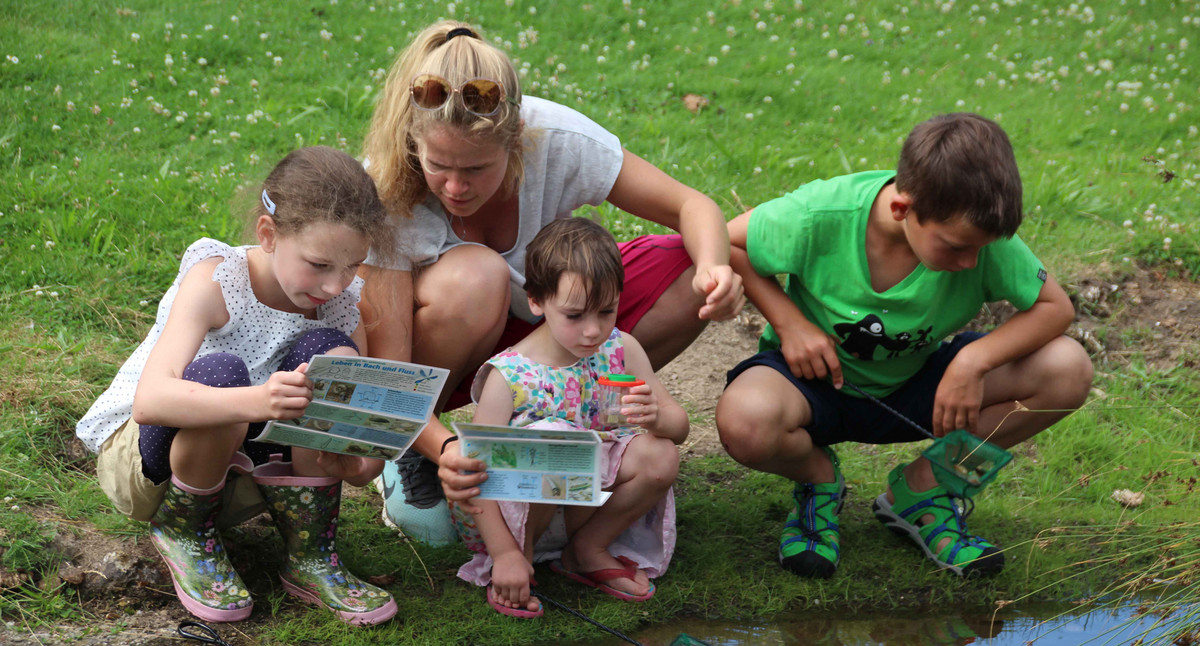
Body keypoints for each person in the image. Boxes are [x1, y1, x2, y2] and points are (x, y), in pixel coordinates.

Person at [356, 20, 742, 532]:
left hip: (544, 327)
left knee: (687, 266)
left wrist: (715, 268)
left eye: (476, 169)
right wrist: (444, 448)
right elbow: (386, 373)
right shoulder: (385, 186)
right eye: (438, 165)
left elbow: (691, 205)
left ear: (516, 138)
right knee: (477, 275)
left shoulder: (557, 138)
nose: (455, 186)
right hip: (437, 357)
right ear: (413, 140)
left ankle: (582, 414)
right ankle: (410, 452)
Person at [715, 113, 1094, 579]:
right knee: (744, 421)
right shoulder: (822, 213)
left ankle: (926, 489)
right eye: (956, 247)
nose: (972, 262)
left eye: (981, 249)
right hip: (810, 382)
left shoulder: (976, 235)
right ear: (902, 209)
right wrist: (789, 322)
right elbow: (725, 241)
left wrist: (973, 362)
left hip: (918, 388)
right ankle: (818, 481)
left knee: (1068, 368)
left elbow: (1055, 307)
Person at [75, 147, 399, 625]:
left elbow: (363, 463)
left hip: (243, 474)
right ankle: (185, 537)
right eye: (319, 264)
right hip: (148, 466)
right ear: (268, 234)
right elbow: (151, 402)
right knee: (222, 371)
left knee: (331, 357)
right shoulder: (217, 280)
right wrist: (257, 401)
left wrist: (352, 458)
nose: (336, 285)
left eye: (352, 266)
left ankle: (311, 554)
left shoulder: (341, 306)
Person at [454, 217, 688, 618]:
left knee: (660, 454)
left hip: (591, 508)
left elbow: (679, 428)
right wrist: (505, 552)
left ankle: (588, 549)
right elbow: (475, 473)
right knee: (552, 439)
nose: (593, 330)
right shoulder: (509, 375)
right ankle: (518, 565)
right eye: (575, 315)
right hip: (519, 518)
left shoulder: (621, 349)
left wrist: (656, 418)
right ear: (536, 301)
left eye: (607, 311)